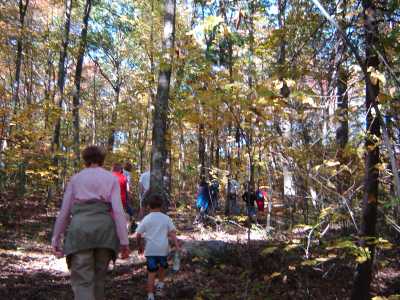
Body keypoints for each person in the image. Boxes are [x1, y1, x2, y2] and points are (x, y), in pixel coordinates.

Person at [51, 145, 129, 300]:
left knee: (82, 282)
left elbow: (65, 212)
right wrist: (124, 241)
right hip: (105, 232)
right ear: (102, 159)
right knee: (99, 281)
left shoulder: (76, 179)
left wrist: (56, 238)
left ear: (85, 160)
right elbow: (118, 212)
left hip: (80, 231)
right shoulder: (111, 178)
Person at [136, 193, 180, 300]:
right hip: (163, 250)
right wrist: (177, 245)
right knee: (162, 268)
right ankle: (160, 286)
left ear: (148, 206)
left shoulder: (146, 219)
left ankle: (150, 295)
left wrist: (140, 246)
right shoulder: (166, 218)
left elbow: (138, 234)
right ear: (161, 206)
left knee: (151, 273)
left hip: (150, 250)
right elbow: (172, 233)